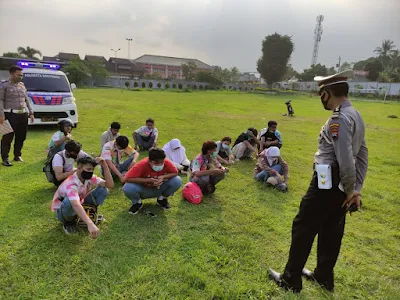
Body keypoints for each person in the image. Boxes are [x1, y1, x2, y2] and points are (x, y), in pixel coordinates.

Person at [268, 70, 368, 293]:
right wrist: (355, 189)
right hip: (342, 185)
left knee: (303, 226)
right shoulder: (356, 114)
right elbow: (362, 155)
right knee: (331, 228)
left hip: (328, 181)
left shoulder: (339, 118)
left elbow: (345, 160)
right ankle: (323, 276)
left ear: (325, 94)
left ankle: (290, 279)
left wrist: (352, 190)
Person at [51, 156, 114, 237]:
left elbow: (110, 185)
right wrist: (90, 224)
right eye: (88, 169)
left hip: (80, 203)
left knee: (103, 190)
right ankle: (69, 223)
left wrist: (105, 166)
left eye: (92, 169)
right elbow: (75, 205)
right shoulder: (71, 184)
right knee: (69, 202)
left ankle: (90, 213)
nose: (90, 172)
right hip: (64, 212)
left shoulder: (88, 177)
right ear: (79, 168)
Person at [123, 148, 182, 214]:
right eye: (156, 163)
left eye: (162, 162)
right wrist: (148, 180)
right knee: (128, 187)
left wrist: (163, 177)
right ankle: (137, 203)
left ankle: (162, 199)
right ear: (149, 161)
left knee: (177, 180)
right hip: (143, 189)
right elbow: (126, 179)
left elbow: (175, 172)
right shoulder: (141, 165)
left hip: (159, 188)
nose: (160, 165)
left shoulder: (166, 162)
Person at [0, 65, 35, 166]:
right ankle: (5, 158)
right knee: (7, 137)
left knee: (21, 136)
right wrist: (1, 115)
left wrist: (31, 112)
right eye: (18, 75)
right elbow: (0, 100)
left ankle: (17, 155)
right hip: (9, 114)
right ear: (11, 74)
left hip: (23, 114)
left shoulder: (22, 85)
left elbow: (26, 99)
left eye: (21, 75)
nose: (20, 77)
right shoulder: (4, 85)